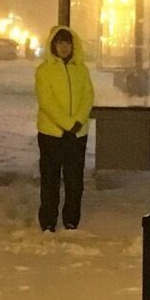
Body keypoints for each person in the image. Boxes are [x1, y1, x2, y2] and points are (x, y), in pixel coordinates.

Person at [33, 25, 94, 233]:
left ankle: (71, 220)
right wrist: (67, 124)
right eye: (59, 42)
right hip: (51, 134)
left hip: (77, 135)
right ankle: (48, 220)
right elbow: (46, 101)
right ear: (53, 45)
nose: (64, 46)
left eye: (67, 42)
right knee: (50, 179)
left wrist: (77, 122)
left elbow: (88, 96)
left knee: (74, 180)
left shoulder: (81, 70)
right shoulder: (44, 71)